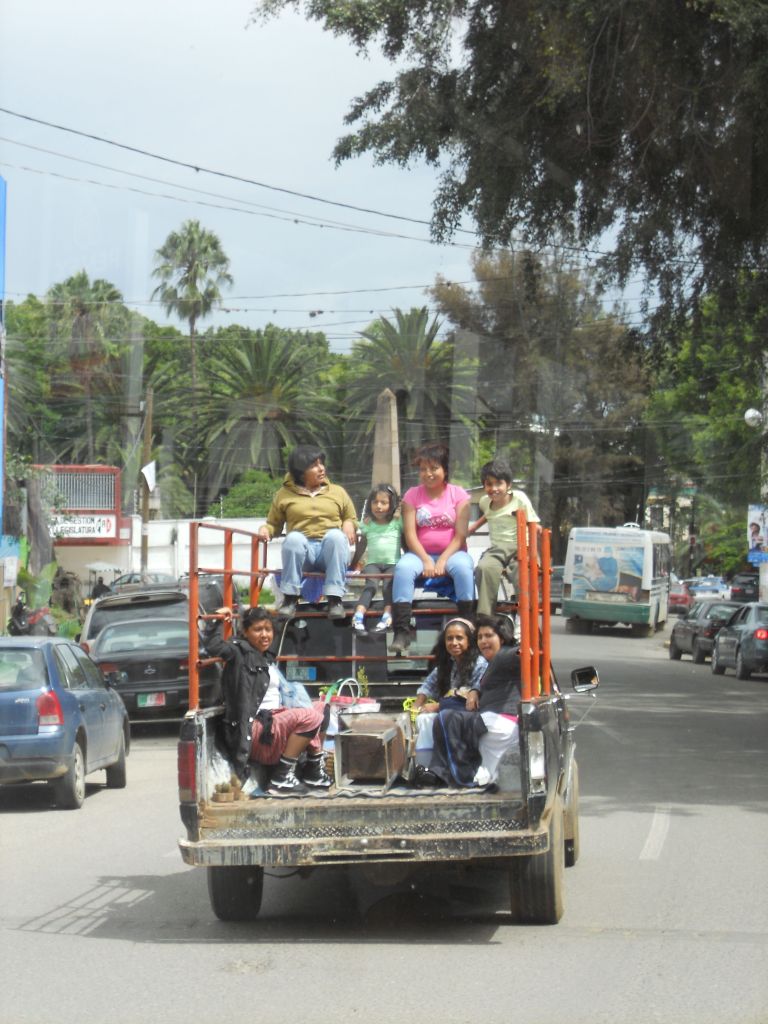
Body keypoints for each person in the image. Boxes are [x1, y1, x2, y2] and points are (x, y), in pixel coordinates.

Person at [204, 605, 331, 795]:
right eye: (257, 630)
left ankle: (312, 770)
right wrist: (218, 621)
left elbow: (281, 620)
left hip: (275, 722)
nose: (264, 635)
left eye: (268, 630)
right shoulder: (239, 653)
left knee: (322, 708)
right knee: (310, 717)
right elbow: (213, 647)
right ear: (245, 633)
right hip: (256, 731)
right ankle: (281, 777)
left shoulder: (267, 657)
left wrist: (277, 609)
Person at [390, 442, 476, 653]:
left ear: (445, 470)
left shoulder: (459, 495)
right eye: (423, 469)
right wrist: (427, 560)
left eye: (433, 468)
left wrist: (443, 560)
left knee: (464, 569)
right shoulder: (412, 495)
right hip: (420, 553)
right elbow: (410, 534)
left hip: (453, 552)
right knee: (402, 569)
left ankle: (469, 626)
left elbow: (460, 535)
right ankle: (402, 631)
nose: (428, 474)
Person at [258, 445, 357, 620]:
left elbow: (350, 517)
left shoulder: (337, 492)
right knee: (293, 538)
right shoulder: (284, 495)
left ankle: (335, 600)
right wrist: (265, 530)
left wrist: (349, 523)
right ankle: (290, 599)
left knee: (336, 536)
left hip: (330, 553)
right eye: (314, 465)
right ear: (301, 471)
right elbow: (274, 524)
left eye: (322, 464)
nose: (321, 469)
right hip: (304, 553)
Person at [411, 617, 488, 780]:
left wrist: (438, 706)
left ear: (469, 641)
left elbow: (470, 695)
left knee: (443, 716)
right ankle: (426, 769)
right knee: (424, 719)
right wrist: (416, 706)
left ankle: (445, 772)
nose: (454, 643)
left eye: (459, 638)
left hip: (468, 713)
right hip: (450, 710)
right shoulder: (448, 663)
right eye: (449, 638)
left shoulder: (480, 663)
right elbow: (428, 686)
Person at [469, 457, 540, 616]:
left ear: (508, 485)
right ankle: (485, 615)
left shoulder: (519, 498)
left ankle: (526, 615)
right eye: (489, 484)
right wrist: (471, 529)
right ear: (484, 485)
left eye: (498, 483)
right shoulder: (484, 502)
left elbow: (532, 523)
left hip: (520, 547)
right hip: (497, 550)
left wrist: (533, 554)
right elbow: (489, 516)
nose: (494, 488)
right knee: (484, 568)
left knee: (522, 571)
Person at [464, 613, 522, 783]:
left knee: (450, 720)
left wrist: (524, 648)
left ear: (502, 639)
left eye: (489, 636)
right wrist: (475, 690)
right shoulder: (489, 663)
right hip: (491, 723)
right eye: (480, 637)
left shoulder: (505, 655)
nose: (483, 641)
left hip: (503, 721)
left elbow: (519, 654)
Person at [351, 483, 403, 636]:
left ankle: (386, 617)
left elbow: (406, 541)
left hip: (393, 563)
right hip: (372, 563)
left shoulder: (397, 523)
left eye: (384, 502)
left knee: (389, 588)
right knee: (371, 586)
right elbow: (362, 545)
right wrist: (354, 563)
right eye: (375, 502)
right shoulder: (368, 524)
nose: (379, 506)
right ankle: (358, 616)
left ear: (392, 504)